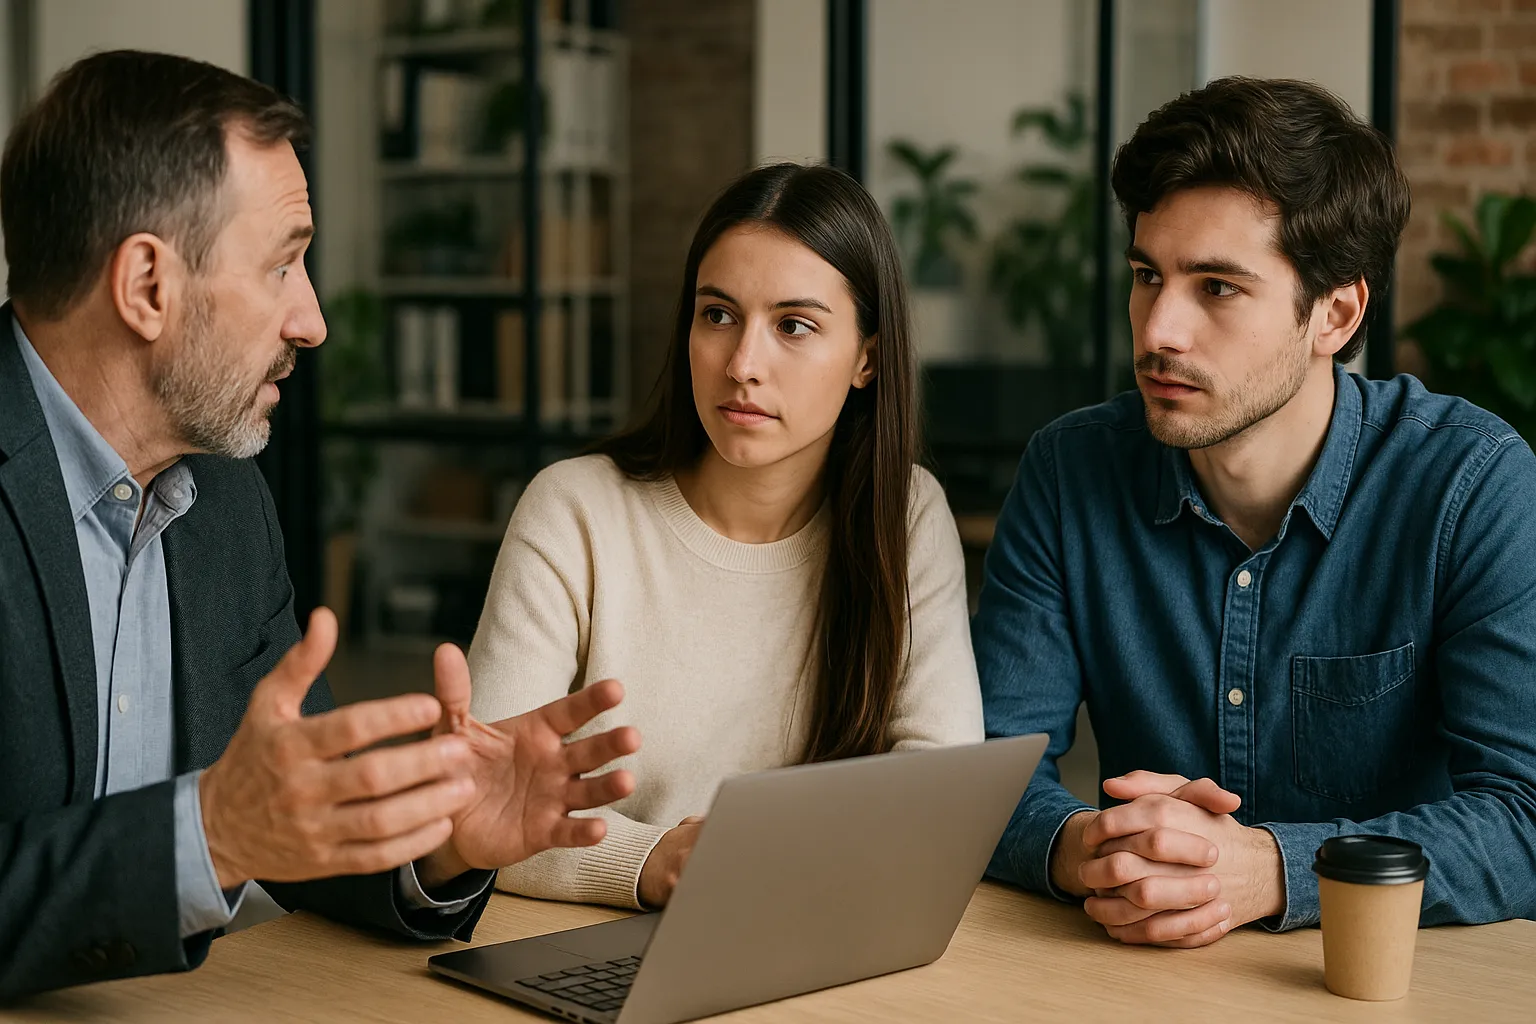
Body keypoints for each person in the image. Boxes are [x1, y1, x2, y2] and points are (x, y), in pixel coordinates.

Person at [0, 50, 641, 1001]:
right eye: (282, 264)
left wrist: (442, 836)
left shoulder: (223, 499)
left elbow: (293, 813)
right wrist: (208, 834)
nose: (313, 321)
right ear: (147, 286)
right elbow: (233, 828)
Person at [976, 77, 1536, 947]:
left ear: (1336, 314)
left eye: (1217, 287)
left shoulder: (1470, 484)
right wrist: (1094, 849)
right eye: (1147, 275)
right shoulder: (1070, 470)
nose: (1158, 330)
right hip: (1132, 977)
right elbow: (985, 774)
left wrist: (1271, 869)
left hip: (1382, 986)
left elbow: (1523, 817)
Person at [467, 163, 984, 910]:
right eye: (717, 315)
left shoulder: (904, 515)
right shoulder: (575, 511)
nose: (743, 365)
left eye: (793, 326)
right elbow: (486, 806)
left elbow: (940, 790)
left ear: (867, 358)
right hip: (570, 938)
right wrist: (654, 861)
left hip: (811, 928)